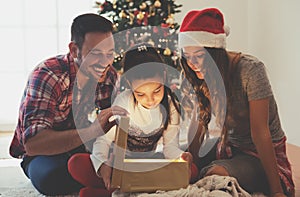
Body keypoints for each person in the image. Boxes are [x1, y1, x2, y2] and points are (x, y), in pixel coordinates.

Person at [178, 8, 295, 197]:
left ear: (215, 52)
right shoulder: (192, 73)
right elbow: (198, 121)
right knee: (178, 160)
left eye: (199, 56)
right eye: (187, 56)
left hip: (258, 152)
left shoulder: (250, 71)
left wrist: (277, 191)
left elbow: (260, 133)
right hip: (228, 146)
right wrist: (191, 158)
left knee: (215, 174)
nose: (193, 63)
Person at [9, 13, 128, 196]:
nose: (105, 62)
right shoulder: (49, 75)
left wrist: (110, 158)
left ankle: (101, 180)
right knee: (52, 178)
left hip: (86, 150)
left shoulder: (109, 76)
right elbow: (34, 144)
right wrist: (91, 132)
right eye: (95, 54)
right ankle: (104, 182)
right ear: (74, 50)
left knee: (123, 160)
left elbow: (115, 127)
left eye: (110, 53)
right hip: (45, 155)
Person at [68, 44, 195, 197]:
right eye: (140, 94)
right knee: (76, 163)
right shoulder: (123, 103)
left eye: (157, 90)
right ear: (129, 84)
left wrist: (181, 158)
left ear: (164, 76)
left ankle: (109, 191)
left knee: (192, 170)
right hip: (119, 164)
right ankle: (117, 186)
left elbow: (170, 147)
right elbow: (103, 141)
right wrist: (102, 165)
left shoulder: (170, 105)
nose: (150, 100)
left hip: (149, 163)